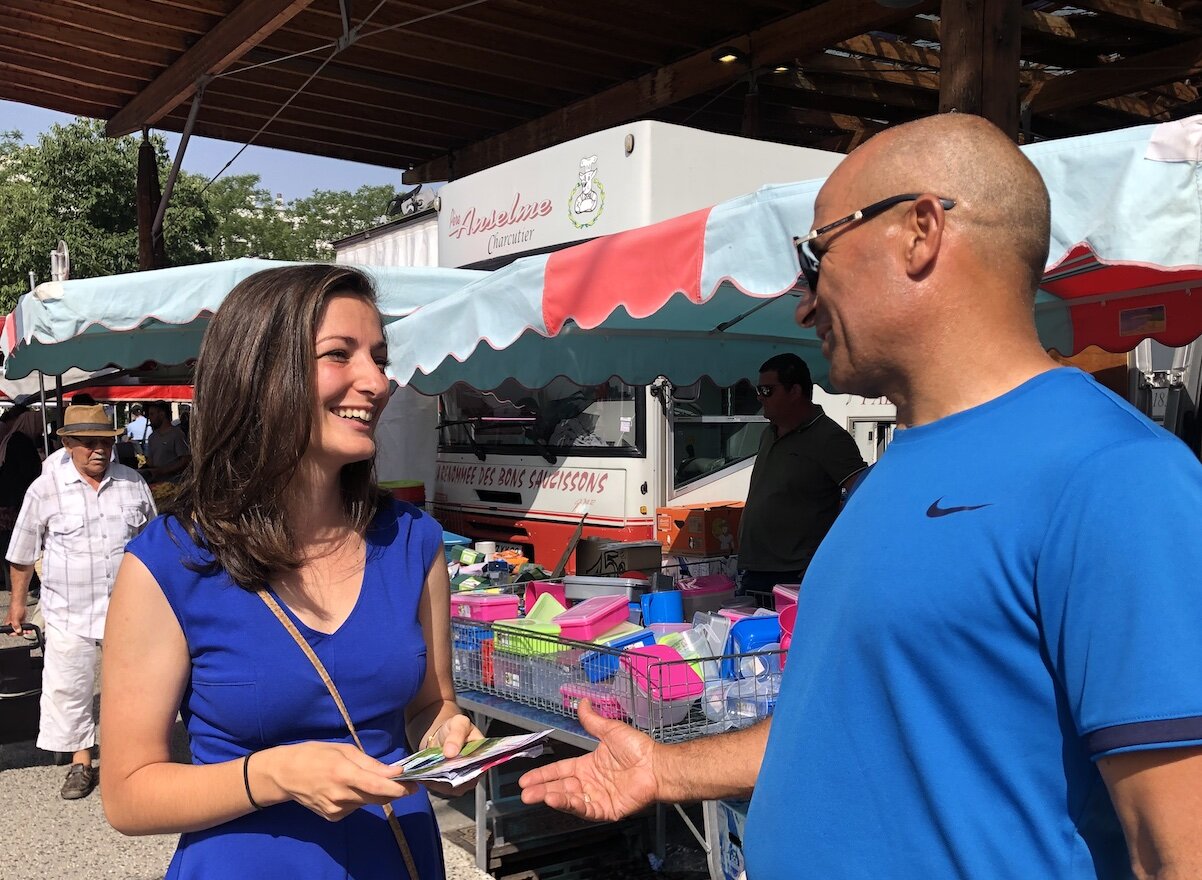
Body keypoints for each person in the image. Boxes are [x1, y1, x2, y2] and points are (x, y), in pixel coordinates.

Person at [519, 114, 1202, 879]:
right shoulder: (890, 473)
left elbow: (1178, 850)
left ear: (920, 231)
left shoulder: (1117, 477)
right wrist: (665, 770)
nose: (804, 304)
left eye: (816, 256)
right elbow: (849, 718)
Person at [100, 264, 484, 879]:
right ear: (260, 373)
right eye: (341, 355)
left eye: (379, 358)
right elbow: (127, 793)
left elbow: (430, 705)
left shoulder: (414, 540)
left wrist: (448, 736)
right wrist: (275, 775)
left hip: (399, 859)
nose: (378, 382)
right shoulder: (171, 559)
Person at [5, 404, 155, 800]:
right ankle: (80, 762)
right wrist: (17, 605)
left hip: (127, 609)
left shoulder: (132, 483)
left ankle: (135, 760)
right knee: (70, 688)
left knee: (134, 686)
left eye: (105, 442)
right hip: (67, 608)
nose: (99, 451)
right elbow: (22, 552)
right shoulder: (45, 488)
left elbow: (154, 545)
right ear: (67, 443)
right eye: (88, 443)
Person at [736, 353, 866, 595]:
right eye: (758, 389)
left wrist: (827, 558)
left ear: (795, 391)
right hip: (754, 569)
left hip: (795, 573)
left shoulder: (829, 438)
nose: (759, 397)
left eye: (767, 390)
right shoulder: (768, 433)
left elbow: (863, 499)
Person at [0, 408, 44, 595]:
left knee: (8, 541)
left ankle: (12, 582)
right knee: (15, 542)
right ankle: (26, 585)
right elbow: (29, 473)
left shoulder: (11, 439)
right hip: (15, 500)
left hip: (7, 498)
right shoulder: (20, 441)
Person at [142, 399, 190, 483]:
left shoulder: (177, 434)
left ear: (162, 414)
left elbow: (185, 460)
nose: (150, 418)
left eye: (152, 414)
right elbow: (150, 462)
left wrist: (163, 470)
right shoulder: (152, 437)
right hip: (155, 483)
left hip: (173, 482)